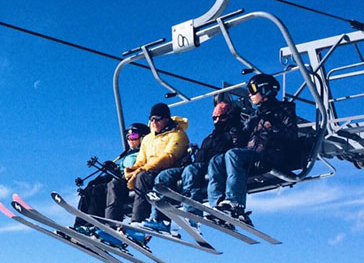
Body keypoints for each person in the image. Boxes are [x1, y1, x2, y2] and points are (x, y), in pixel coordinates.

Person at [206, 74, 299, 224]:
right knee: (216, 160)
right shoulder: (257, 114)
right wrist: (234, 125)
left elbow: (291, 135)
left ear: (265, 90)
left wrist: (273, 126)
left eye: (253, 89)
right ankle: (217, 204)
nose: (250, 94)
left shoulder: (283, 109)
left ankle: (235, 203)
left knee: (233, 155)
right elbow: (242, 137)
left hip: (271, 154)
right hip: (253, 154)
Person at [146, 97, 246, 236]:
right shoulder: (210, 137)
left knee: (192, 171)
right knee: (164, 176)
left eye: (221, 117)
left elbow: (236, 151)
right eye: (214, 118)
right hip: (198, 165)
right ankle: (159, 219)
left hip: (215, 165)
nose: (217, 121)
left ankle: (195, 214)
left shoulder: (235, 132)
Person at [123, 103, 189, 228]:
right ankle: (98, 224)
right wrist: (131, 170)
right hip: (149, 171)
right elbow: (141, 161)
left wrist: (142, 169)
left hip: (169, 169)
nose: (154, 122)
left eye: (157, 119)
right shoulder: (148, 139)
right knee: (120, 183)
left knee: (143, 177)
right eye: (151, 119)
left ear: (166, 119)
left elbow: (169, 157)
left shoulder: (177, 135)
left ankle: (140, 220)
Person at [74, 122, 148, 224]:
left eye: (133, 135)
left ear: (143, 137)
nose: (130, 139)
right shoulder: (127, 153)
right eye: (128, 136)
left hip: (130, 180)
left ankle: (93, 224)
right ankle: (80, 224)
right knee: (90, 187)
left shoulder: (145, 152)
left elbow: (138, 166)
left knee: (98, 191)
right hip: (120, 177)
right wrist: (114, 167)